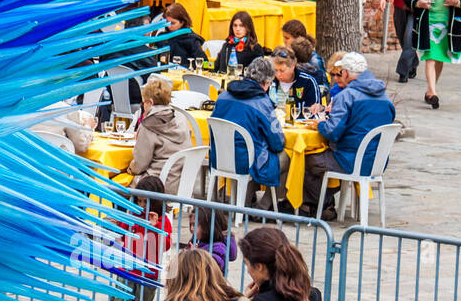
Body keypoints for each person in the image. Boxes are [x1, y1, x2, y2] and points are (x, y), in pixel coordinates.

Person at [299, 52, 396, 220]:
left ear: (345, 73)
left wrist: (320, 124)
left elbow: (332, 132)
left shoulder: (347, 96)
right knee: (323, 161)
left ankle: (311, 206)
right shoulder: (384, 96)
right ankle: (322, 205)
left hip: (349, 160)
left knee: (309, 160)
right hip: (377, 162)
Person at [100, 175, 173, 301]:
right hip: (126, 268)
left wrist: (155, 228)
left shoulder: (164, 221)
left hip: (148, 273)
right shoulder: (131, 215)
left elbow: (165, 246)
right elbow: (120, 234)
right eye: (139, 201)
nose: (141, 206)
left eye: (145, 201)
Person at [209, 56, 292, 212]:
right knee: (284, 158)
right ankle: (264, 205)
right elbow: (277, 142)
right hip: (246, 161)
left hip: (219, 157)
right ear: (267, 83)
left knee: (256, 152)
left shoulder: (223, 96)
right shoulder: (262, 102)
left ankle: (244, 201)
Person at [126, 77, 192, 191]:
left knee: (115, 183)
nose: (143, 107)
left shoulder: (148, 124)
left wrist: (129, 169)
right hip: (181, 185)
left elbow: (139, 165)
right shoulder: (181, 118)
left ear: (150, 102)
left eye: (144, 103)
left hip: (155, 186)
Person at [269, 46, 320, 113]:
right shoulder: (269, 81)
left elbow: (314, 111)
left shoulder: (307, 82)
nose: (278, 74)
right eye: (275, 70)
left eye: (282, 70)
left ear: (293, 66)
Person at [281, 20, 327, 84]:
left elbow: (323, 86)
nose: (284, 41)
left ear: (299, 38)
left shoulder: (314, 59)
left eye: (287, 38)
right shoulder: (286, 54)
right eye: (283, 37)